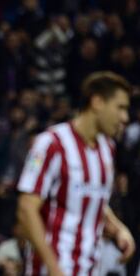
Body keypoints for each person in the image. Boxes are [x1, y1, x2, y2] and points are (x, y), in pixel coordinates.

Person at [16, 71, 136, 276]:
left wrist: (118, 228)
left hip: (90, 269)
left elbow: (90, 197)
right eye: (120, 107)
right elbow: (27, 209)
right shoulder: (51, 143)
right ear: (97, 102)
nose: (125, 118)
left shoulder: (107, 148)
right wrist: (54, 268)